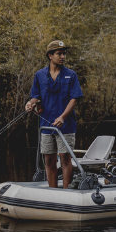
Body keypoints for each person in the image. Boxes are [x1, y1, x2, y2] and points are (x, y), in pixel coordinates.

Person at [25, 40, 84, 189]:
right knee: (49, 161)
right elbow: (35, 96)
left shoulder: (71, 75)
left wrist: (63, 117)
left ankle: (66, 191)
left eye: (64, 53)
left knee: (65, 160)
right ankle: (53, 191)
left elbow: (74, 98)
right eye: (59, 53)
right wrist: (30, 103)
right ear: (50, 56)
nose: (63, 56)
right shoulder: (39, 75)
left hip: (66, 125)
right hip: (46, 126)